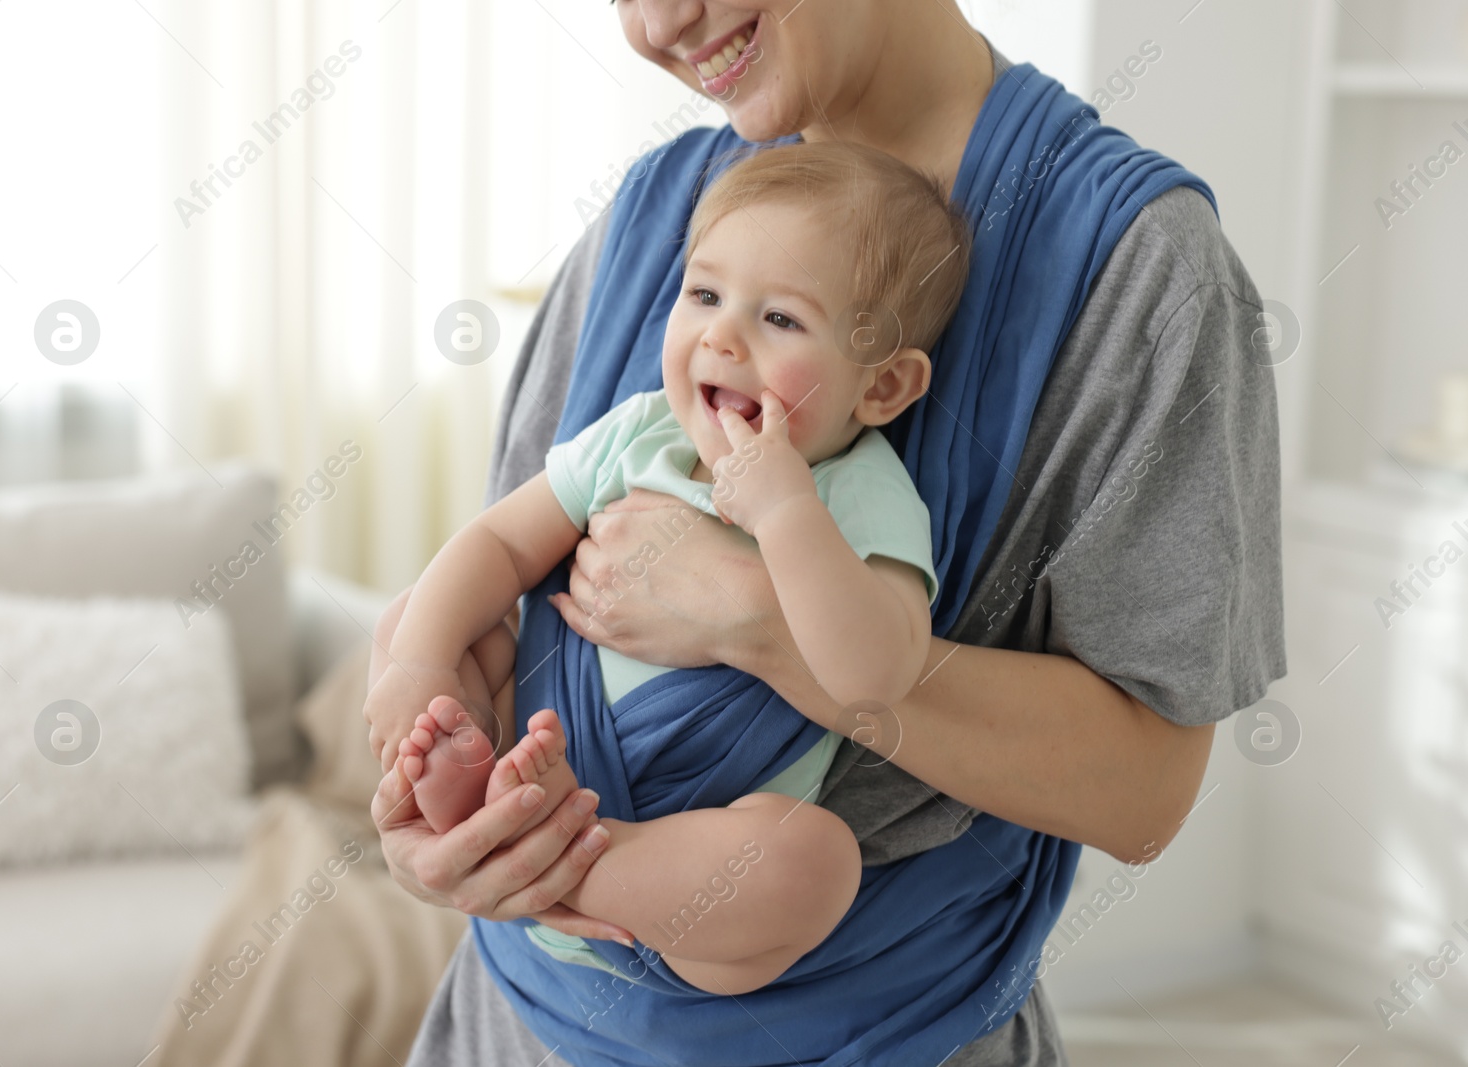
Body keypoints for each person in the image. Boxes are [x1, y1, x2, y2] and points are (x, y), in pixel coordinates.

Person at [371, 2, 1286, 1063]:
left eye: (781, 320)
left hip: (872, 1033)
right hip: (513, 1025)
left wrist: (757, 622)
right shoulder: (653, 213)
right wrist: (430, 813)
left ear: (890, 380)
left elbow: (1141, 799)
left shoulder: (1137, 265)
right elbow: (495, 601)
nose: (656, 21)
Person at [364, 139, 969, 996]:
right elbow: (499, 545)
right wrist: (422, 664)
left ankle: (558, 857)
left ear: (883, 388)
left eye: (781, 319)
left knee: (812, 862)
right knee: (413, 616)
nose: (721, 336)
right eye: (706, 294)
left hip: (682, 869)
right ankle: (480, 795)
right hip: (534, 728)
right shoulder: (642, 432)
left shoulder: (863, 496)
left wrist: (783, 508)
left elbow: (877, 673)